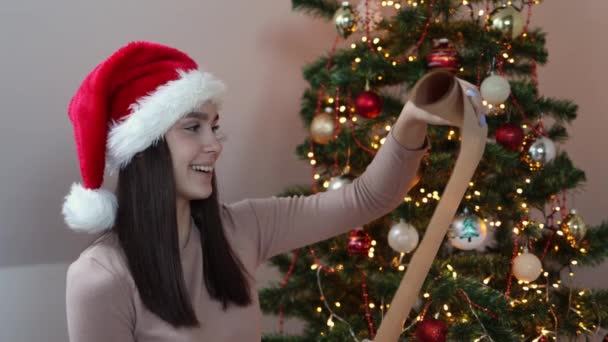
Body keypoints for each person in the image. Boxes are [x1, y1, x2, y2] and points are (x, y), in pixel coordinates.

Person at [63, 41, 478, 341]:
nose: (215, 143)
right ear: (144, 150)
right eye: (192, 127)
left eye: (214, 125)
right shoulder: (99, 278)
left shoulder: (243, 228)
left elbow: (368, 198)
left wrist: (410, 121)